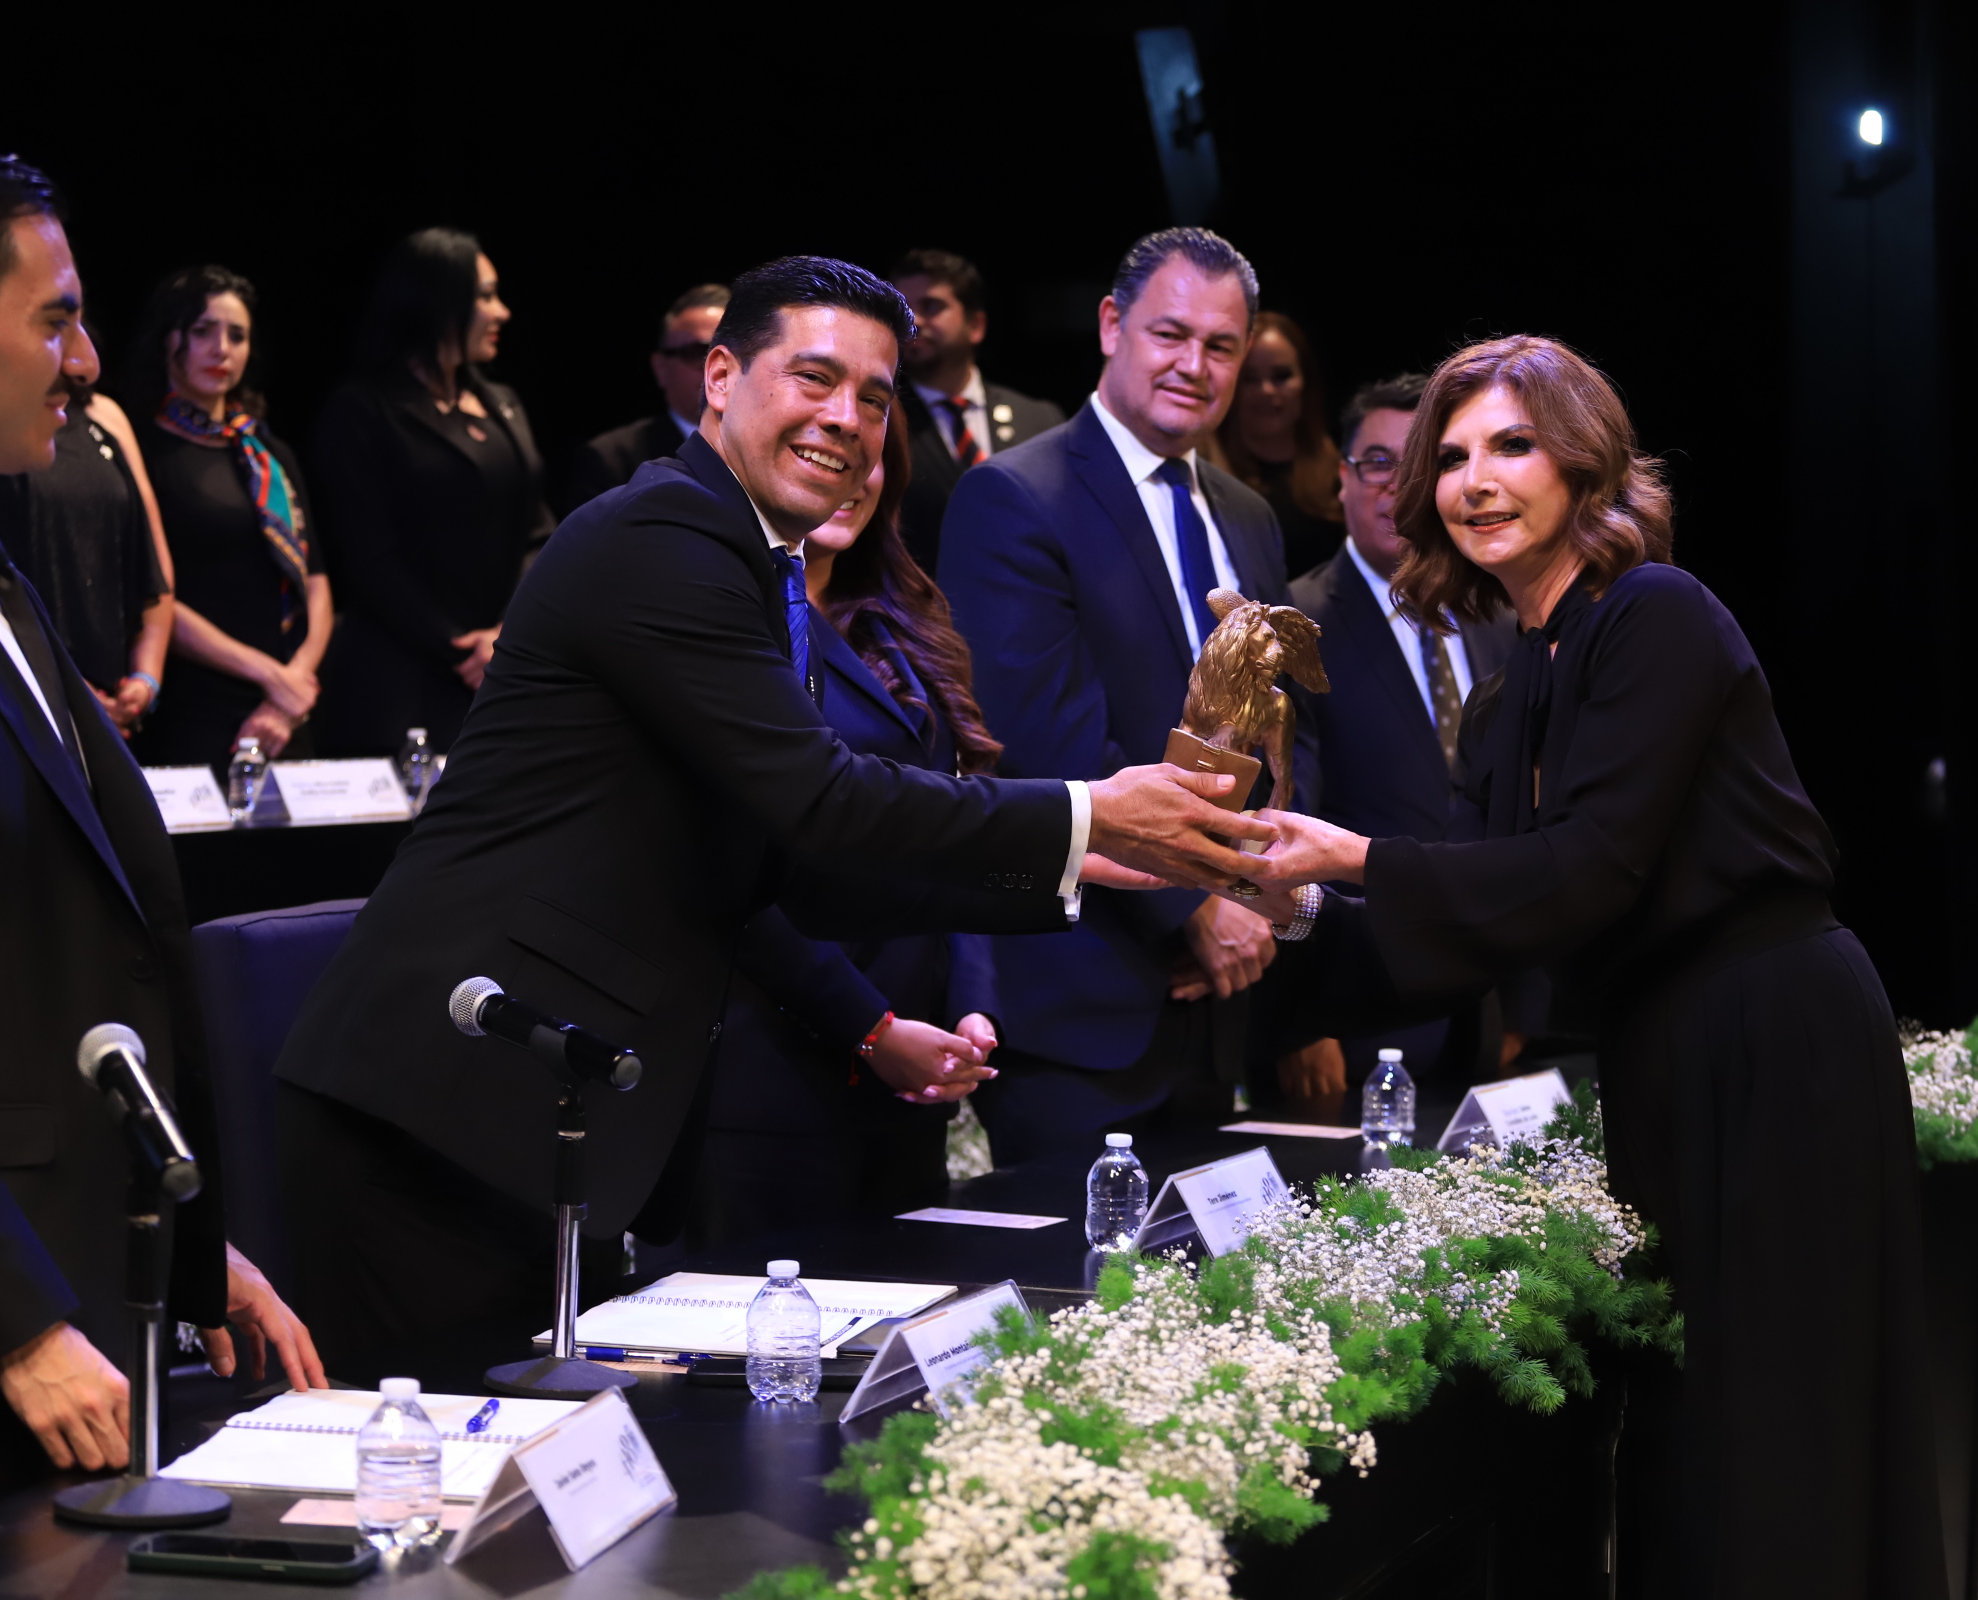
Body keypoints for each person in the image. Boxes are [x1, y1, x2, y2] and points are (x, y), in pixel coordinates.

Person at [270, 255, 1269, 1368]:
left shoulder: (756, 565)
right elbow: (822, 804)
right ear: (719, 377)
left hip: (541, 1118)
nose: (846, 419)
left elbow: (799, 871)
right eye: (815, 378)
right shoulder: (669, 537)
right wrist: (1085, 816)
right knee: (425, 1461)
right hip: (442, 1111)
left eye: (876, 398)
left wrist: (1081, 860)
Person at [1239, 335, 1946, 1598]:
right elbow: (1486, 908)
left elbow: (1587, 871)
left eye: (1512, 444)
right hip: (1673, 1046)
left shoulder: (1654, 613)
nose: (1475, 479)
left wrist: (1352, 855)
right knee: (1692, 1424)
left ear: (1583, 462)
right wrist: (1286, 909)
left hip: (1776, 1045)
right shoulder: (1527, 668)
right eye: (1453, 455)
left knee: (1775, 1424)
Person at [0, 150, 321, 1497]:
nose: (86, 361)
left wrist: (188, 1247)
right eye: (54, 320)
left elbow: (74, 958)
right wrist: (13, 1320)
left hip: (82, 1294)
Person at [939, 227, 1315, 1165]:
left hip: (1226, 992)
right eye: (1170, 334)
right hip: (1084, 995)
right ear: (1112, 325)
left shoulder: (1249, 515)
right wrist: (1200, 905)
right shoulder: (1012, 496)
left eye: (1221, 345)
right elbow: (1042, 736)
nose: (1195, 365)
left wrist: (1260, 899)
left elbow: (1281, 728)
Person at [700, 417, 1009, 1229]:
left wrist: (973, 1008)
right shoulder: (734, 617)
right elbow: (733, 867)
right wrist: (870, 1028)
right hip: (771, 1069)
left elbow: (960, 823)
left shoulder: (911, 622)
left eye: (871, 461)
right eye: (830, 456)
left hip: (914, 1070)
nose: (851, 477)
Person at [1284, 372, 1523, 1091]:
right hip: (1355, 1014)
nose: (1396, 485)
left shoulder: (1497, 615)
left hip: (1488, 1010)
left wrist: (1524, 1004)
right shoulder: (1294, 624)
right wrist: (1300, 1019)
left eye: (1420, 463)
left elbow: (1526, 815)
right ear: (1342, 478)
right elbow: (1284, 822)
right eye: (1377, 462)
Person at [313, 228, 553, 758]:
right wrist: (460, 647)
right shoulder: (363, 410)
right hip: (403, 676)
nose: (502, 312)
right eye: (485, 296)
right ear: (439, 302)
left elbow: (538, 532)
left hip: (500, 667)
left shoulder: (502, 402)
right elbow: (369, 557)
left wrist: (507, 633)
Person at [116, 265, 331, 769]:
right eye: (202, 331)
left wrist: (291, 684)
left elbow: (317, 582)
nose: (222, 349)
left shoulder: (268, 453)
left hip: (285, 711)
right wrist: (268, 674)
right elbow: (150, 592)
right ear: (167, 338)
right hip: (195, 707)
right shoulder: (140, 449)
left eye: (237, 335)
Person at [0, 374, 174, 734]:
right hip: (27, 693)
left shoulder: (105, 415)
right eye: (62, 340)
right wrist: (67, 688)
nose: (88, 362)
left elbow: (153, 568)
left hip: (114, 696)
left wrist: (145, 680)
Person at [886, 249, 1066, 571]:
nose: (914, 321)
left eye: (931, 306)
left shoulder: (1040, 419)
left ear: (976, 325)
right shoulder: (882, 420)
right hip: (926, 597)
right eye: (904, 309)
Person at [561, 283, 729, 515]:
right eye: (699, 353)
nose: (718, 368)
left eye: (733, 354)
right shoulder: (613, 461)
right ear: (660, 368)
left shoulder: (773, 450)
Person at [1211, 310, 1345, 579]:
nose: (1267, 390)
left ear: (1305, 382)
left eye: (1281, 376)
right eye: (1249, 378)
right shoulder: (1207, 479)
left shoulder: (1340, 473)